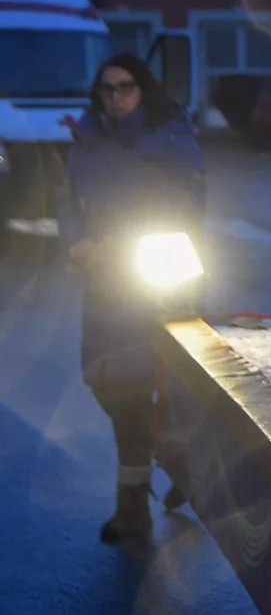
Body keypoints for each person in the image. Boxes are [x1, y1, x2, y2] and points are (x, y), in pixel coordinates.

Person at [57, 53, 206, 548]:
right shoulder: (88, 135)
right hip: (104, 276)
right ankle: (171, 455)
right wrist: (75, 238)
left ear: (143, 89)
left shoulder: (169, 132)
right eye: (107, 89)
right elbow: (68, 196)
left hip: (158, 277)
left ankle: (132, 508)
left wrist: (115, 242)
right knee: (104, 379)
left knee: (140, 388)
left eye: (125, 87)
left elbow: (186, 199)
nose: (116, 97)